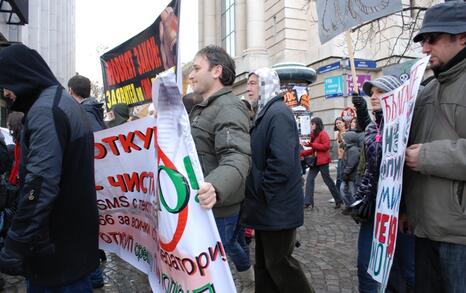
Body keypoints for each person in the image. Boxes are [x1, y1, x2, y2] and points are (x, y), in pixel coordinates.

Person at [0, 44, 99, 292]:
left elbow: (39, 187)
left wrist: (16, 242)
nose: (5, 92)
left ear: (21, 75)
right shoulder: (59, 103)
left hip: (57, 249)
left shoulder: (46, 111)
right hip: (69, 244)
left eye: (6, 83)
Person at [402, 2, 466, 292]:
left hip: (459, 236)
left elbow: (420, 154)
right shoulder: (426, 89)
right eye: (422, 40)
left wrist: (426, 156)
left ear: (462, 36)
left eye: (433, 38)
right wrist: (403, 208)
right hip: (423, 229)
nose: (425, 47)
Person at [242, 68, 314, 293]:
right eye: (248, 83)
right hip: (267, 207)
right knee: (264, 264)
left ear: (266, 85)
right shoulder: (265, 113)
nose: (248, 88)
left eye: (253, 83)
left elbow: (281, 164)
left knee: (280, 263)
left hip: (276, 206)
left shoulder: (278, 113)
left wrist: (263, 193)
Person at [188, 45, 253, 291]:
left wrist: (214, 185)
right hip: (205, 204)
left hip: (219, 207)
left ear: (216, 71)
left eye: (196, 68)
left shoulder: (228, 106)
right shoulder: (203, 107)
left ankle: (248, 280)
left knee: (214, 268)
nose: (191, 75)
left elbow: (237, 155)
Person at [351, 75, 414, 293]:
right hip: (374, 209)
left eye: (380, 92)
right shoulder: (372, 128)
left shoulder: (406, 125)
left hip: (400, 211)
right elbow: (372, 146)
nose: (374, 97)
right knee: (366, 268)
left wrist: (406, 208)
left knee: (407, 272)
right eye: (372, 93)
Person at [68, 74, 106, 288]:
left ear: (72, 91)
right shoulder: (93, 110)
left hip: (91, 180)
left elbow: (96, 147)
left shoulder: (85, 113)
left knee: (86, 229)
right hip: (93, 180)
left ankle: (94, 277)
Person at [301, 117, 342, 209]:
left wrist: (312, 144)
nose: (311, 126)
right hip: (315, 162)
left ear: (317, 124)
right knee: (309, 180)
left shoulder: (323, 134)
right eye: (311, 124)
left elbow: (326, 147)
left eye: (312, 124)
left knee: (328, 181)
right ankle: (307, 202)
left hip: (323, 162)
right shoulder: (313, 135)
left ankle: (338, 199)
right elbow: (313, 150)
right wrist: (302, 153)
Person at [339, 130, 361, 214]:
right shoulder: (348, 148)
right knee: (343, 190)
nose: (343, 140)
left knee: (353, 193)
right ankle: (349, 206)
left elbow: (351, 164)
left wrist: (345, 173)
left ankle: (355, 208)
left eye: (344, 139)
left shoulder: (354, 150)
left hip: (351, 176)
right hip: (347, 175)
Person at [334, 117, 347, 194]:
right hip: (340, 158)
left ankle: (340, 196)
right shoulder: (338, 134)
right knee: (339, 177)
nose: (338, 125)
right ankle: (338, 196)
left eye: (340, 123)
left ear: (344, 123)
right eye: (337, 123)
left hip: (345, 158)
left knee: (341, 177)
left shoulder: (346, 133)